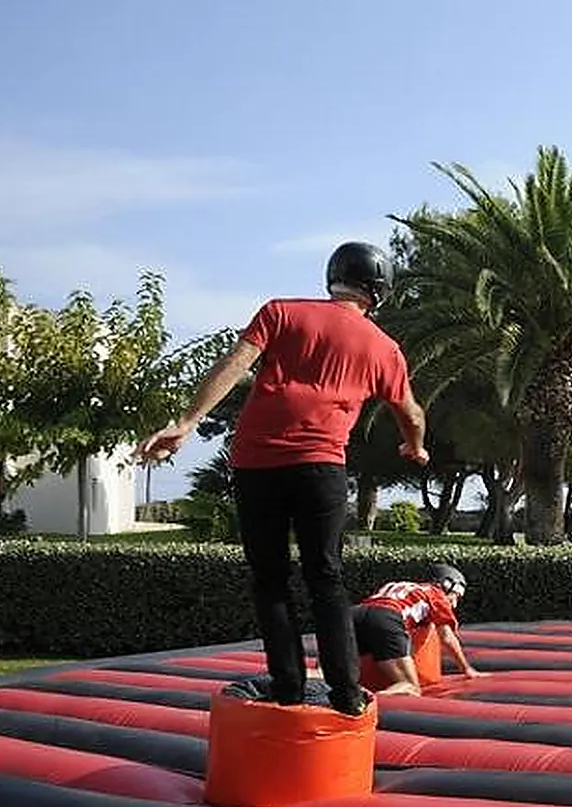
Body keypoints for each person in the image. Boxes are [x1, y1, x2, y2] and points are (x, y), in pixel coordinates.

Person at [135, 242, 428, 716]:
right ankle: (346, 694)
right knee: (325, 577)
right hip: (321, 467)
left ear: (333, 277)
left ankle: (289, 686)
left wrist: (188, 422)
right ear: (378, 290)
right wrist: (414, 445)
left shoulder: (281, 312)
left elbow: (234, 365)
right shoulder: (384, 348)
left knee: (269, 579)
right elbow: (410, 412)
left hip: (256, 464)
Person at [353, 563, 483, 695]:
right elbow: (447, 637)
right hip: (387, 617)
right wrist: (466, 668)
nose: (454, 604)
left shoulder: (399, 586)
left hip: (355, 614)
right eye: (455, 597)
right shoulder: (436, 594)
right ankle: (372, 699)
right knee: (411, 687)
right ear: (446, 586)